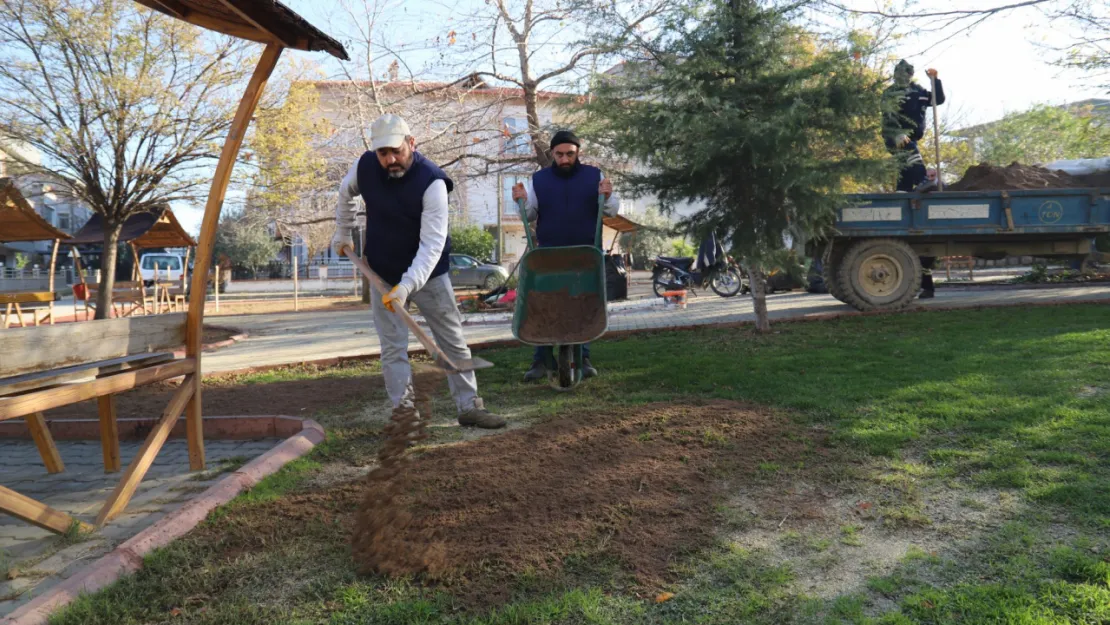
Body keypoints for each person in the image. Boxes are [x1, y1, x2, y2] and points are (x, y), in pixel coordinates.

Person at [332, 113, 505, 428]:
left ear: (412, 143)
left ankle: (469, 407)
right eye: (383, 153)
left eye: (397, 150)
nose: (391, 159)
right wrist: (342, 232)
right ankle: (404, 410)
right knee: (392, 346)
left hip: (429, 276)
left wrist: (407, 286)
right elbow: (345, 193)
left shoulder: (432, 182)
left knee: (451, 341)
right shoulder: (365, 167)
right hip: (382, 272)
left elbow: (432, 246)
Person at [511, 130, 620, 382]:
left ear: (577, 152)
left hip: (586, 254)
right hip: (549, 256)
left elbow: (612, 211)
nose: (564, 159)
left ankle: (583, 357)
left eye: (570, 154)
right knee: (545, 305)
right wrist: (521, 201)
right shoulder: (539, 179)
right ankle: (541, 359)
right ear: (552, 154)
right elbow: (528, 215)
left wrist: (609, 193)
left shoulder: (595, 176)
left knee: (584, 304)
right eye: (559, 154)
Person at [883, 60, 945, 193]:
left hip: (912, 137)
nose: (902, 76)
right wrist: (896, 133)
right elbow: (888, 116)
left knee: (905, 171)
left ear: (910, 74)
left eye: (905, 73)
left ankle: (903, 194)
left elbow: (937, 100)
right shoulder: (890, 93)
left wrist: (935, 82)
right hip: (895, 136)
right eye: (898, 73)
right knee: (911, 153)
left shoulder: (918, 91)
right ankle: (923, 180)